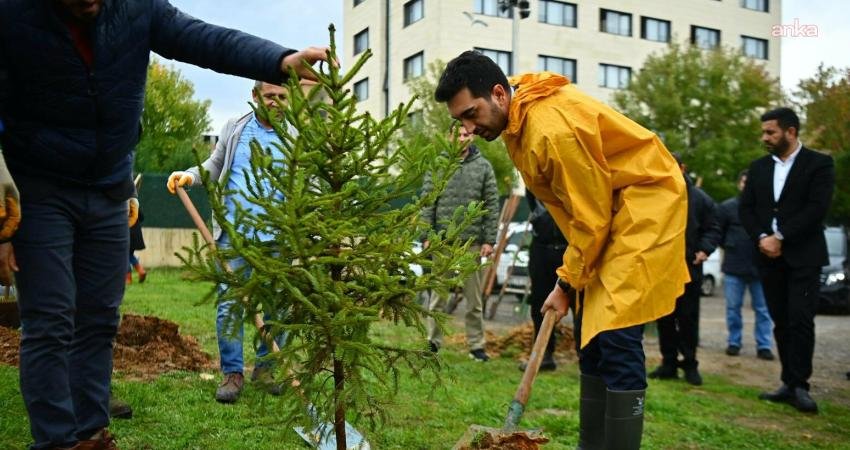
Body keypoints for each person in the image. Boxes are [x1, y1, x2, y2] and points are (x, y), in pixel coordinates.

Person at [0, 0, 331, 447]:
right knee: (51, 320)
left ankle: (91, 434)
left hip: (109, 187)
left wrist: (278, 59)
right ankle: (57, 442)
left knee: (99, 319)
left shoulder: (136, 8)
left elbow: (204, 39)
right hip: (38, 187)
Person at [435, 51, 688, 449]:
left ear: (499, 94)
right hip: (609, 212)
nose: (468, 127)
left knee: (615, 334)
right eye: (459, 119)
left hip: (642, 207)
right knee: (591, 334)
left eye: (471, 113)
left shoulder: (553, 133)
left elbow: (592, 218)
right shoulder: (516, 111)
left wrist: (565, 283)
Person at [167, 81, 300, 403]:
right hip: (234, 236)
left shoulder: (294, 136)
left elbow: (304, 182)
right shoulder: (235, 128)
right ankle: (232, 373)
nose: (277, 103)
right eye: (270, 96)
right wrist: (190, 176)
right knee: (229, 306)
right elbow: (213, 167)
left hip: (277, 237)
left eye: (283, 97)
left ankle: (265, 369)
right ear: (255, 97)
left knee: (277, 306)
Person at [739, 107, 835, 414]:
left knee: (801, 320)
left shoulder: (819, 164)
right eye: (764, 132)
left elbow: (816, 209)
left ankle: (800, 386)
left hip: (804, 257)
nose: (764, 137)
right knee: (781, 319)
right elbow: (747, 209)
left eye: (771, 132)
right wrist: (762, 238)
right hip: (768, 258)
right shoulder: (758, 168)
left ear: (790, 132)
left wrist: (781, 238)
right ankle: (787, 381)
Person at [420, 127, 500, 362]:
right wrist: (426, 235)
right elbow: (428, 201)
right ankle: (432, 343)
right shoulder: (438, 165)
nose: (462, 138)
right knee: (438, 296)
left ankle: (476, 346)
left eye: (466, 135)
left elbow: (492, 204)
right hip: (442, 241)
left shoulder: (483, 166)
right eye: (458, 134)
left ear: (472, 137)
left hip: (472, 243)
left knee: (473, 299)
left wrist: (489, 239)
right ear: (449, 137)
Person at [649, 154, 720, 386]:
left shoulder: (700, 199)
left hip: (690, 266)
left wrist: (704, 249)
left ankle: (690, 363)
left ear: (682, 168)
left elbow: (714, 228)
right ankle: (668, 362)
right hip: (662, 267)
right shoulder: (657, 196)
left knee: (688, 317)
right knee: (664, 316)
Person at [717, 170, 774, 360]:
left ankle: (764, 345)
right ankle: (734, 342)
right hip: (734, 265)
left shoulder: (766, 209)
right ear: (739, 184)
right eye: (744, 182)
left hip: (761, 267)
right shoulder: (727, 208)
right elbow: (719, 232)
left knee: (763, 309)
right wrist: (730, 245)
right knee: (733, 308)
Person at [518, 189, 568, 372]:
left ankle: (588, 358)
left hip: (570, 247)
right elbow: (532, 200)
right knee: (540, 302)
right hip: (541, 247)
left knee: (584, 305)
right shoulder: (536, 176)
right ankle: (543, 355)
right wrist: (540, 221)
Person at [127, 207, 147, 284]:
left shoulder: (120, 202)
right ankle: (141, 270)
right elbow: (141, 217)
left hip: (126, 232)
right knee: (129, 254)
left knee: (124, 255)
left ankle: (128, 278)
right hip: (136, 232)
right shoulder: (133, 202)